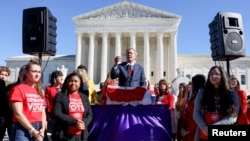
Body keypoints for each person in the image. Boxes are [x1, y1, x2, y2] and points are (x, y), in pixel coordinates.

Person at [193, 66, 240, 141]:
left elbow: (233, 116)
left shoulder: (232, 94)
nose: (213, 76)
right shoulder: (202, 93)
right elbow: (196, 113)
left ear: (223, 76)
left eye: (217, 74)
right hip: (204, 135)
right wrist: (204, 127)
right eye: (211, 74)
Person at [9, 59, 47, 141]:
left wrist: (43, 128)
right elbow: (18, 114)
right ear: (26, 73)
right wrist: (32, 130)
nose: (37, 74)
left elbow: (42, 112)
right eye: (34, 71)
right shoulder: (18, 89)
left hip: (39, 128)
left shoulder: (40, 91)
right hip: (22, 128)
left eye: (39, 72)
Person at [52, 72, 93, 141]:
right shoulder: (60, 96)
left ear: (80, 84)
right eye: (71, 81)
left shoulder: (84, 97)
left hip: (81, 136)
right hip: (64, 135)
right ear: (67, 82)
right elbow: (57, 113)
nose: (73, 83)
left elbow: (89, 114)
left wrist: (84, 123)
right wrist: (75, 122)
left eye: (76, 81)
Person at [0, 65, 25, 140]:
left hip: (13, 118)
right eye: (1, 74)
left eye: (6, 75)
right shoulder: (10, 86)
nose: (3, 76)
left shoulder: (6, 86)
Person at [180, 74, 206, 141]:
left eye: (192, 83)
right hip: (191, 129)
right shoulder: (195, 96)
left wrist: (187, 130)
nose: (191, 85)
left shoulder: (198, 98)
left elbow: (195, 116)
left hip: (193, 132)